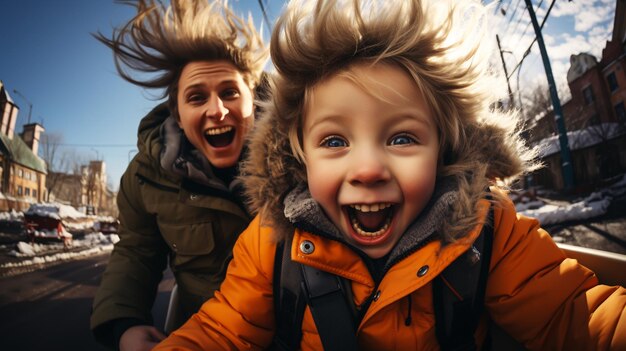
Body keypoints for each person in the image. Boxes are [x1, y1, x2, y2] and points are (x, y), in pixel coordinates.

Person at [154, 0, 626, 349]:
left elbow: (576, 313)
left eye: (401, 139)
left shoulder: (486, 233)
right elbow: (220, 331)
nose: (367, 169)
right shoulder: (273, 241)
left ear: (443, 147)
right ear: (300, 157)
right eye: (334, 142)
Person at [89, 1, 267, 350]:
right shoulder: (146, 177)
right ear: (179, 114)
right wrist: (125, 325)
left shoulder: (302, 151)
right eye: (197, 97)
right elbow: (136, 253)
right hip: (201, 333)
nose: (216, 110)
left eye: (229, 92)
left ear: (254, 98)